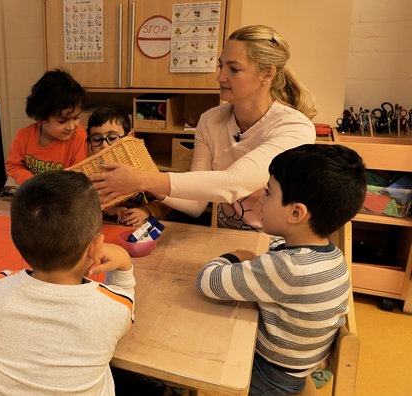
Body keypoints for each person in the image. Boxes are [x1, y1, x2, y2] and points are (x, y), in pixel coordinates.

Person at [90, 25, 317, 231]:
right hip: (224, 237)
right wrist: (141, 185)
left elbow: (233, 183)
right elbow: (195, 203)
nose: (220, 77)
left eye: (234, 69)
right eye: (221, 66)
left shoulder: (294, 128)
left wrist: (143, 179)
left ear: (268, 72)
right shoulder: (210, 120)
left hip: (275, 243)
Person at [196, 144, 367, 395]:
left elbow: (208, 281)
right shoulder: (332, 256)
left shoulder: (286, 268)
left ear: (296, 212)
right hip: (301, 365)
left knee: (201, 347)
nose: (260, 199)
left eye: (268, 192)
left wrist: (235, 256)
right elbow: (278, 251)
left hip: (268, 375)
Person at [0, 170, 135, 395]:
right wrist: (124, 263)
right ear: (96, 247)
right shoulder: (113, 308)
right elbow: (126, 300)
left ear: (14, 239)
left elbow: (14, 278)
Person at [87, 104, 173, 227]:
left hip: (140, 228)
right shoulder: (90, 173)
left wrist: (146, 211)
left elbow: (167, 203)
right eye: (96, 139)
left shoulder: (143, 168)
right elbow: (81, 207)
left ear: (129, 137)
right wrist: (106, 210)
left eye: (112, 138)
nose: (104, 145)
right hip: (106, 227)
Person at [5, 68, 89, 186]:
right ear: (42, 117)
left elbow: (79, 176)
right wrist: (32, 182)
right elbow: (13, 165)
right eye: (62, 121)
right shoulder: (23, 136)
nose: (71, 127)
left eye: (75, 118)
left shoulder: (78, 137)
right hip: (33, 193)